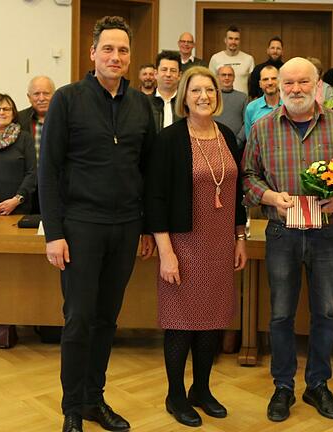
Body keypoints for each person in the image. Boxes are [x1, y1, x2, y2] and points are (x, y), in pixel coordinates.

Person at [38, 16, 156, 432]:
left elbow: (149, 171)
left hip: (125, 226)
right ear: (92, 53)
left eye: (123, 50)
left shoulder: (143, 105)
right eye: (108, 48)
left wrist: (146, 227)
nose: (116, 56)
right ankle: (72, 407)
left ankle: (94, 400)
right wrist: (54, 234)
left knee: (107, 319)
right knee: (79, 318)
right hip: (80, 227)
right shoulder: (68, 99)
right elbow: (48, 171)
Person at [242, 57, 333, 423]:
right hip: (282, 233)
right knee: (280, 314)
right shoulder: (263, 128)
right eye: (289, 83)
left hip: (327, 233)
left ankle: (318, 384)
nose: (295, 89)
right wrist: (269, 197)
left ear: (317, 86)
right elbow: (248, 177)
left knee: (324, 313)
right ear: (279, 87)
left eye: (303, 82)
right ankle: (283, 386)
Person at [145, 66, 247, 428]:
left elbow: (236, 195)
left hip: (220, 243)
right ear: (184, 97)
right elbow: (155, 198)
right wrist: (166, 251)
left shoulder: (229, 135)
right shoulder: (170, 139)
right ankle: (175, 394)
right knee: (181, 323)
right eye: (196, 90)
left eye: (210, 90)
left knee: (212, 322)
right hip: (183, 243)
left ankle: (201, 390)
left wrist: (239, 237)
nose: (204, 96)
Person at [208, 25, 254, 94]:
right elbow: (210, 82)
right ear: (225, 40)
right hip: (221, 101)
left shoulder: (249, 59)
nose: (233, 42)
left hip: (242, 102)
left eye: (236, 39)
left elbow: (252, 84)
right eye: (230, 38)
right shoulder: (215, 58)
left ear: (239, 41)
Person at [18, 75, 55, 160]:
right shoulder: (19, 119)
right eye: (36, 94)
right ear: (29, 97)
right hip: (29, 172)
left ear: (54, 95)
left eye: (46, 93)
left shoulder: (64, 118)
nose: (41, 98)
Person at [243, 65, 282, 138]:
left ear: (279, 81)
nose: (270, 83)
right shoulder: (251, 108)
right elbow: (250, 141)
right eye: (265, 79)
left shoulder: (289, 105)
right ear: (260, 84)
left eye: (273, 78)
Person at [213, 65, 247, 147]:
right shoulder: (211, 96)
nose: (227, 77)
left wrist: (238, 140)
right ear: (217, 77)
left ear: (234, 78)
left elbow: (247, 122)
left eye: (230, 75)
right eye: (223, 75)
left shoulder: (243, 97)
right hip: (213, 144)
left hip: (236, 145)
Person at [149, 50, 181, 130]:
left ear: (179, 75)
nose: (168, 74)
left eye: (173, 70)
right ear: (156, 74)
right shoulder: (144, 103)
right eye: (164, 69)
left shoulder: (186, 104)